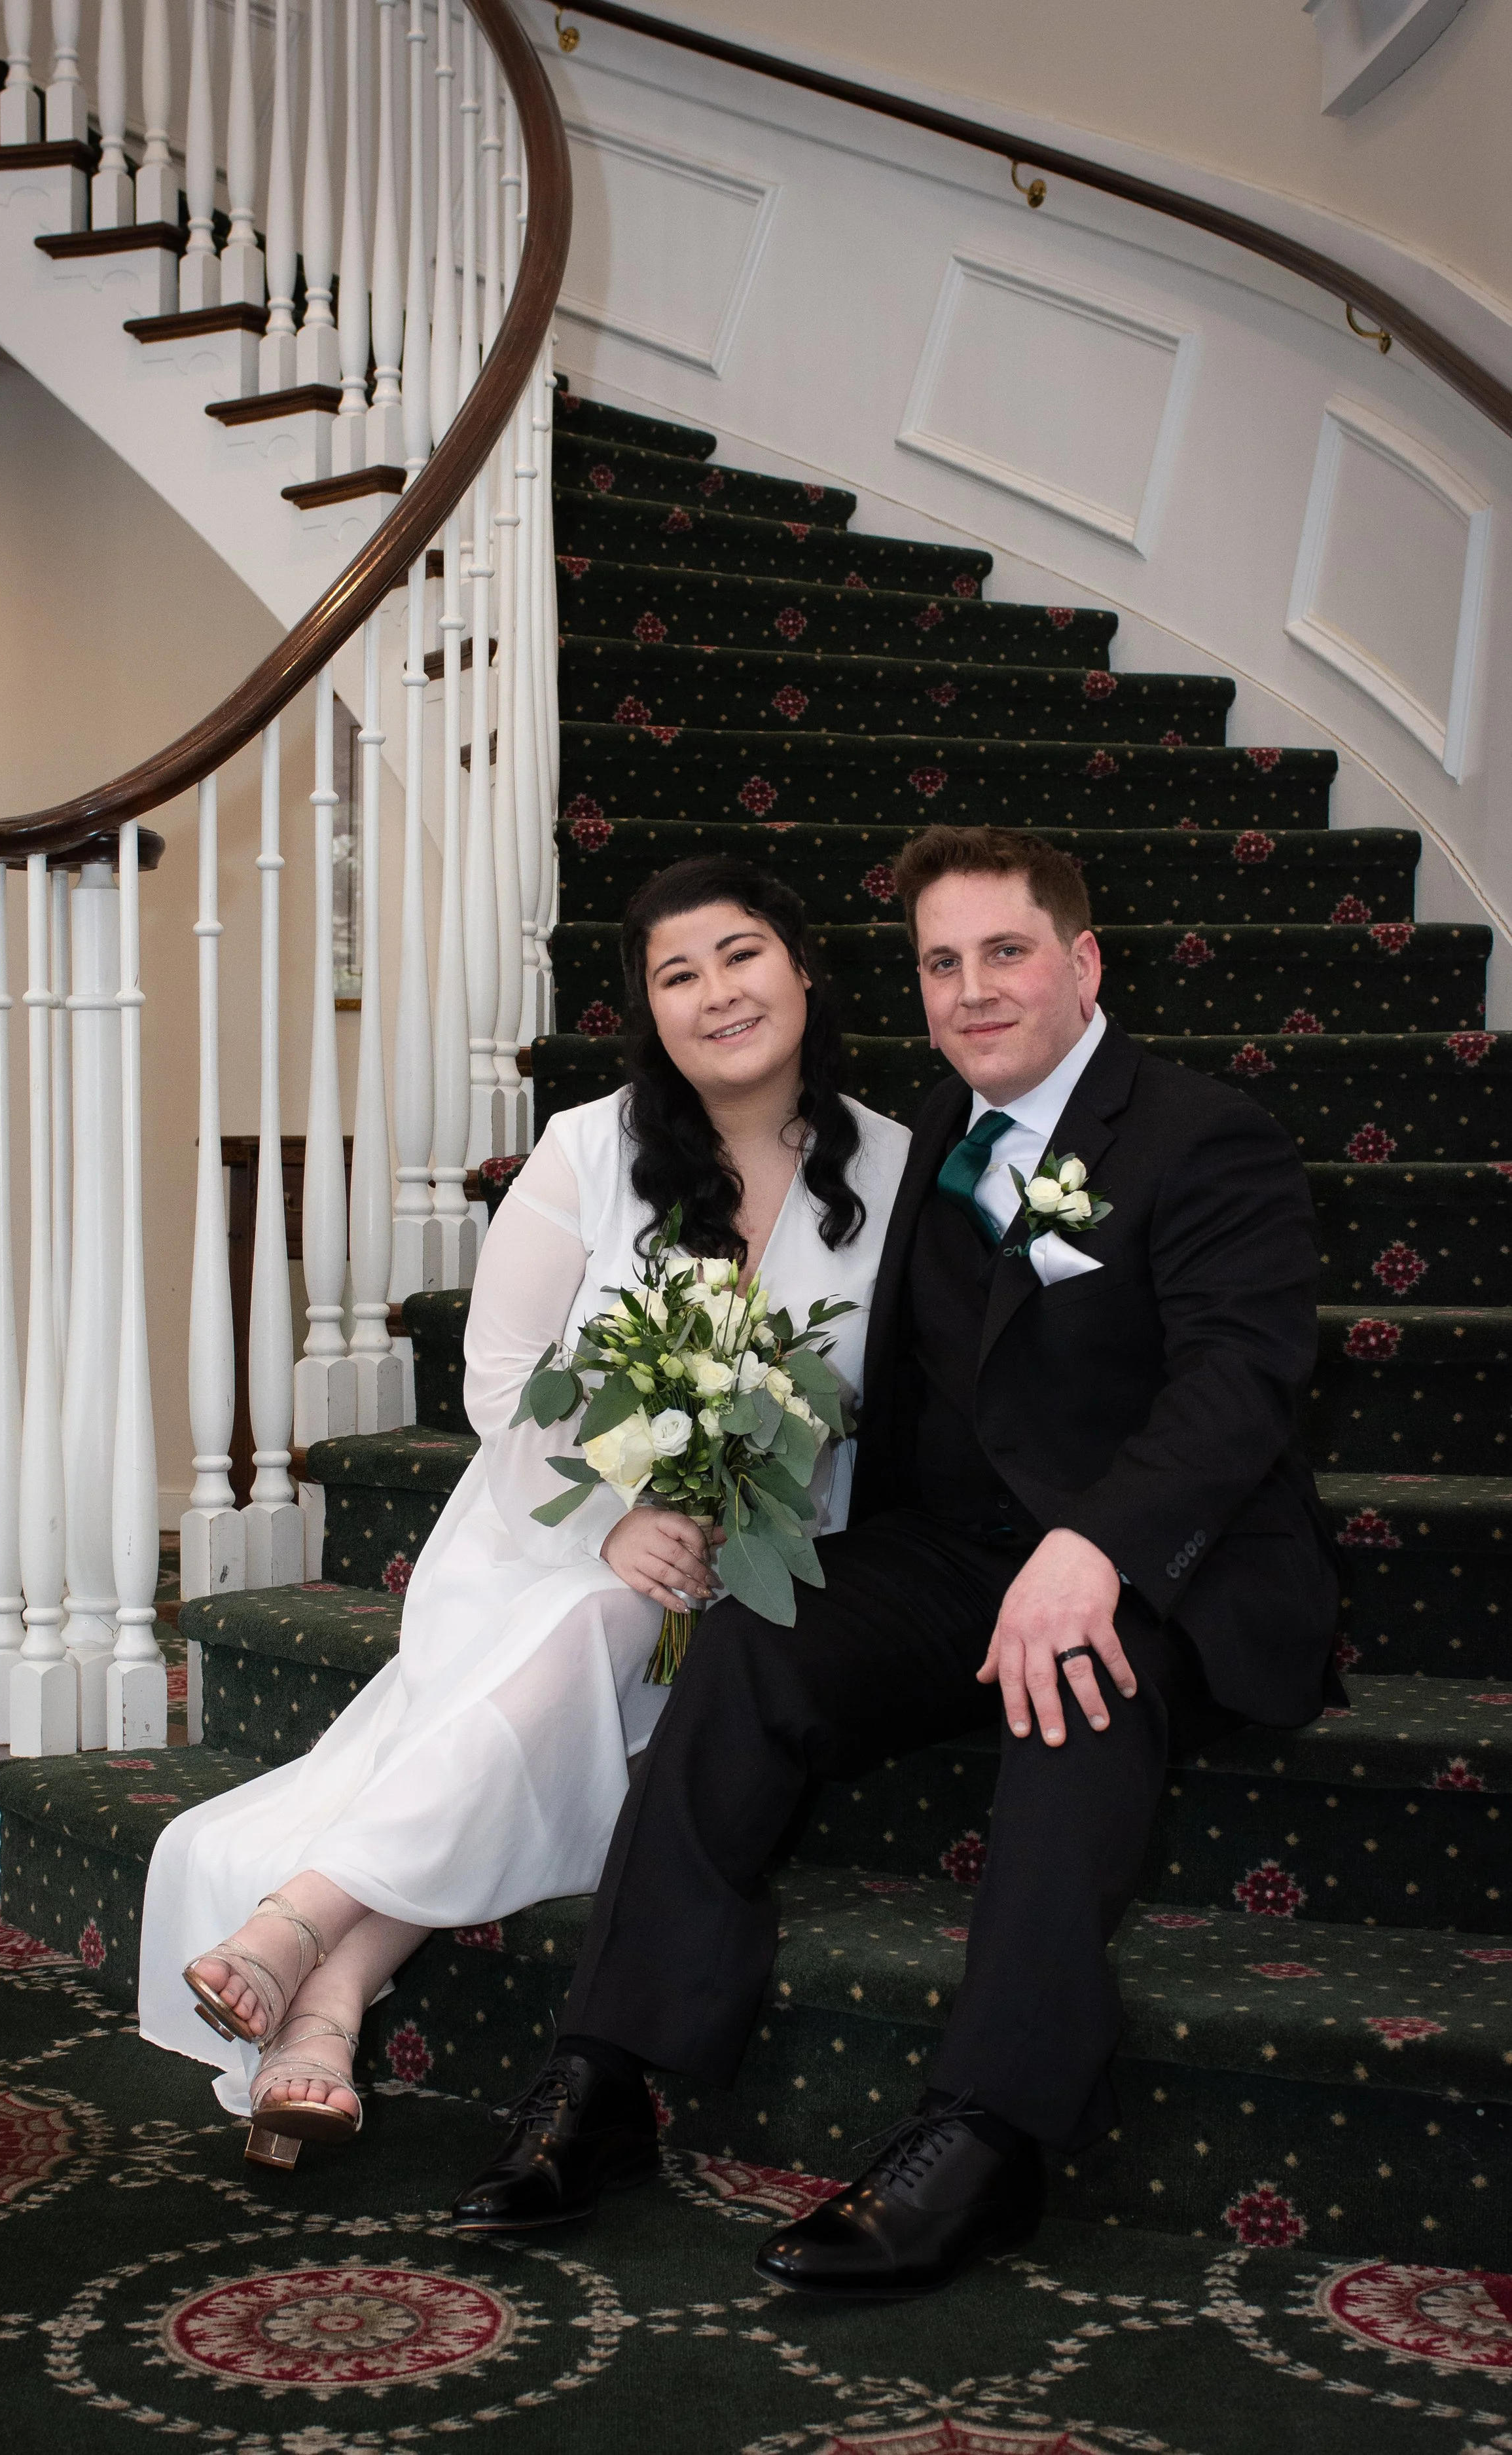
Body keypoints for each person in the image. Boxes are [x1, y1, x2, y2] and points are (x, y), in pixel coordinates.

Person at [450, 822, 1341, 2297]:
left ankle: (983, 2136)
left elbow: (1236, 1385)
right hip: (957, 1553)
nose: (973, 989)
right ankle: (604, 2077)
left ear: (1081, 962)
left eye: (1005, 953)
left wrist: (1098, 1550)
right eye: (941, 962)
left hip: (1169, 1566)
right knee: (757, 1636)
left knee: (1070, 1679)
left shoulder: (1200, 1132)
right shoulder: (927, 1136)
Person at [135, 855, 910, 2160]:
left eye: (740, 956)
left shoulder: (893, 1166)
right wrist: (613, 1519)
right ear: (650, 1014)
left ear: (802, 968)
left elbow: (889, 1397)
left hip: (767, 1559)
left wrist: (756, 1511)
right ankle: (311, 1948)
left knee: (601, 1656)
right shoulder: (588, 1149)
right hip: (546, 1532)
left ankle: (313, 1966)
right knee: (595, 1626)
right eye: (677, 975)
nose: (715, 993)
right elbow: (501, 1381)